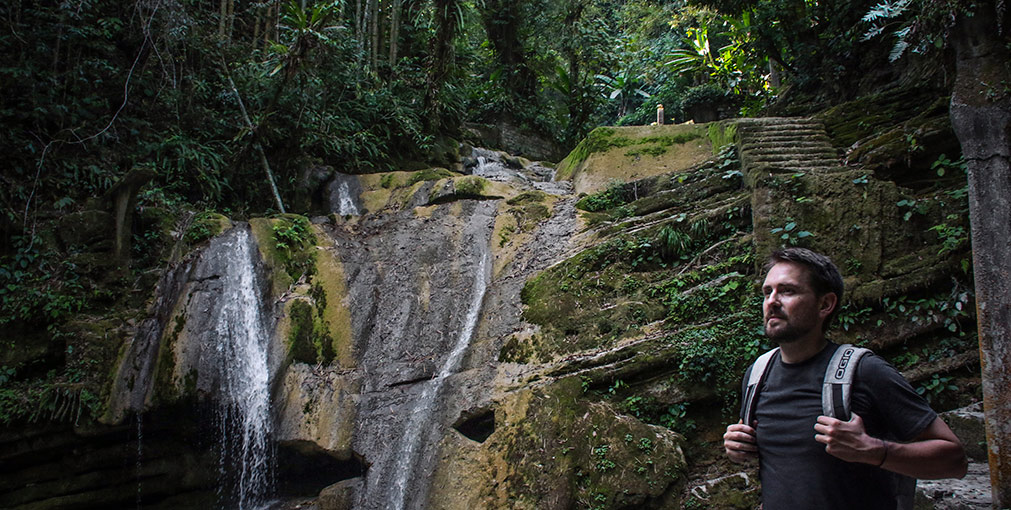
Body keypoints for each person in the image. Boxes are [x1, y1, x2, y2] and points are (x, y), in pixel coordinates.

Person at [723, 247, 967, 509]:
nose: (772, 301)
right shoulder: (757, 374)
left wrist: (873, 450)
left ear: (825, 304)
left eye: (787, 291)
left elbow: (955, 460)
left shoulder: (865, 371)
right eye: (767, 291)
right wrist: (737, 445)